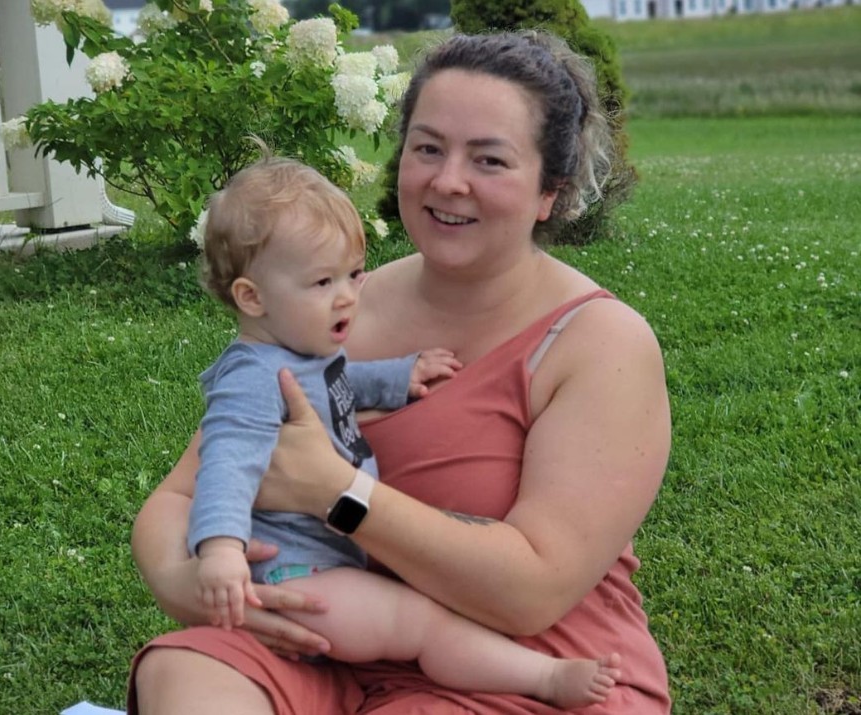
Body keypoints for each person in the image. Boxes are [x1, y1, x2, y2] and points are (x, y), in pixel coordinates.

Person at [129, 29, 672, 715]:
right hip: (336, 640)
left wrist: (338, 492)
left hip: (523, 665)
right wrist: (190, 583)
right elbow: (179, 494)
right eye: (427, 148)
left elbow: (531, 591)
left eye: (489, 159)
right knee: (184, 675)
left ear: (549, 193)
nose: (448, 181)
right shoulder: (336, 304)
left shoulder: (600, 343)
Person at [186, 154, 621, 709]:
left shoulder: (298, 353)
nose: (347, 295)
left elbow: (343, 384)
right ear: (252, 297)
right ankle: (544, 679)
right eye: (322, 281)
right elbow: (224, 463)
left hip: (319, 570)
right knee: (426, 626)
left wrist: (401, 375)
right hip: (298, 579)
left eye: (353, 274)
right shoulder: (250, 378)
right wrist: (222, 551)